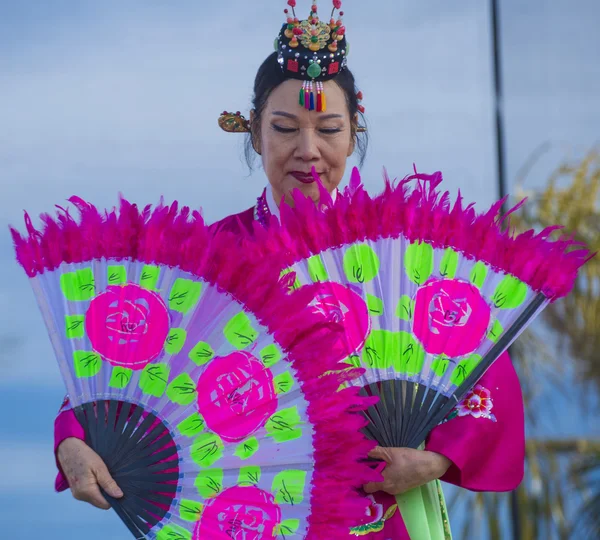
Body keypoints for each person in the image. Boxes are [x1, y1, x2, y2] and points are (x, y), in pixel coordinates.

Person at [55, 1, 525, 538]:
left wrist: (437, 459)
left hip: (380, 516)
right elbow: (114, 370)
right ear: (255, 134)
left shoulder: (405, 258)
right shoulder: (209, 261)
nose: (309, 151)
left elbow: (483, 368)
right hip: (248, 514)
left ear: (354, 135)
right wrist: (72, 440)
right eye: (285, 128)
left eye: (329, 128)